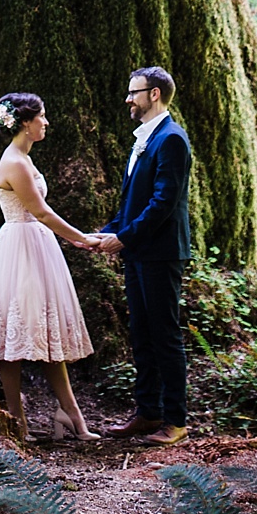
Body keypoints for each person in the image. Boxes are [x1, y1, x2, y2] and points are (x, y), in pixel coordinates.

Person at [0, 92, 100, 441]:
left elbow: (40, 213)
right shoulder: (14, 162)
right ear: (25, 123)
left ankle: (71, 415)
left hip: (37, 246)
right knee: (14, 338)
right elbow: (40, 211)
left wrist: (72, 238)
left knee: (47, 335)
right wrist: (83, 238)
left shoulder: (24, 158)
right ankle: (17, 421)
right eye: (41, 116)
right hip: (19, 251)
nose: (46, 122)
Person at [96, 66, 191, 445]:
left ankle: (176, 421)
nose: (128, 99)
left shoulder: (171, 139)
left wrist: (124, 238)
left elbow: (162, 203)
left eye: (133, 92)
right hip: (138, 252)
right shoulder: (144, 140)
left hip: (160, 253)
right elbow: (132, 202)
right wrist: (105, 234)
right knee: (141, 334)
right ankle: (148, 412)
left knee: (164, 335)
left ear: (154, 94)